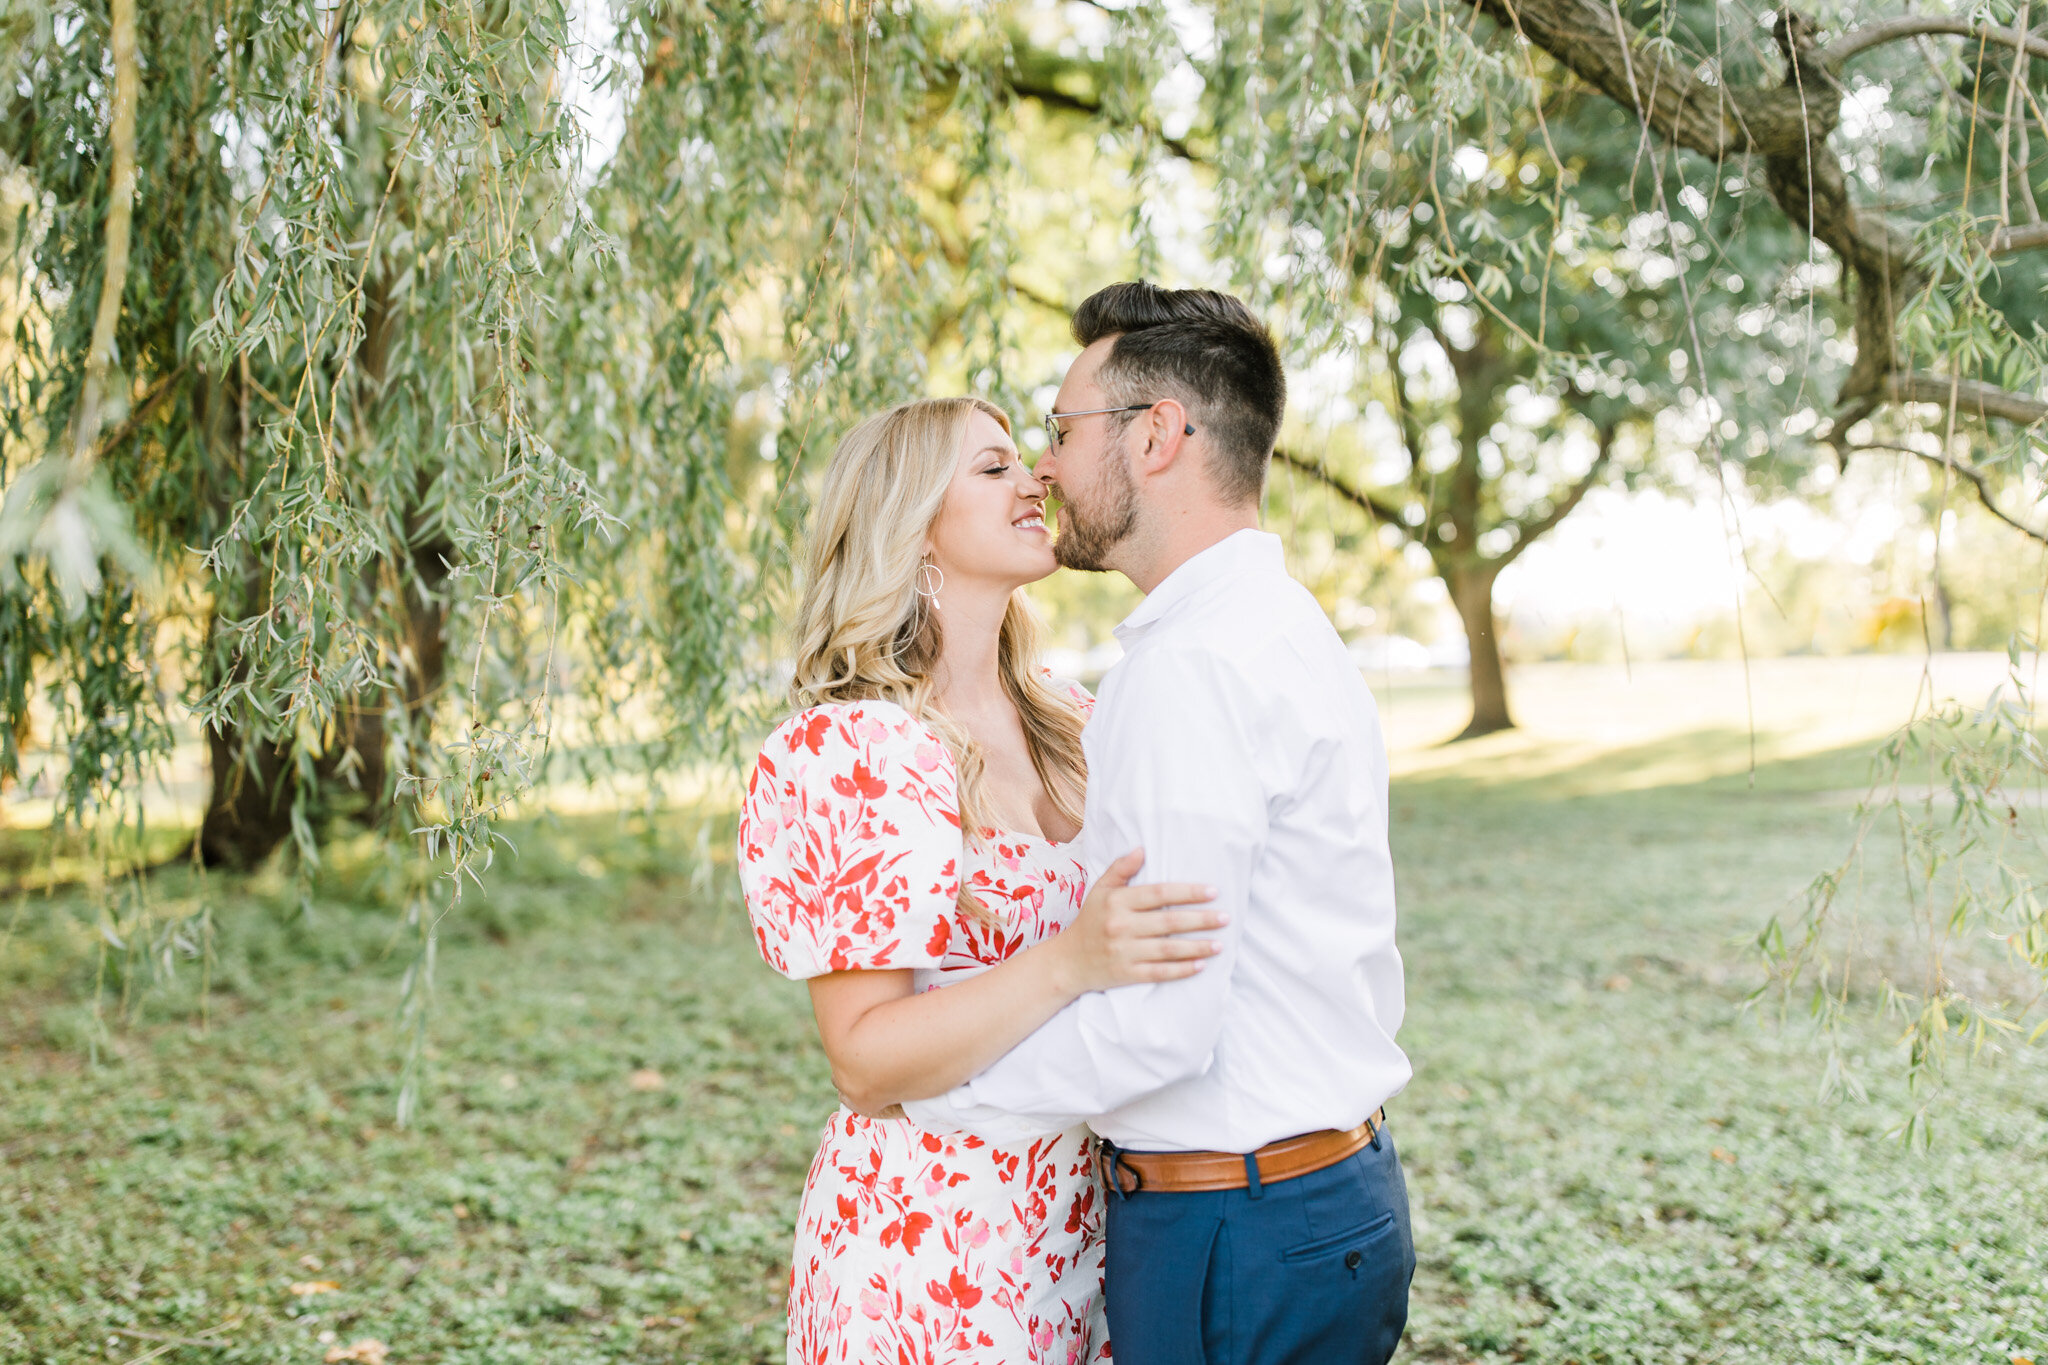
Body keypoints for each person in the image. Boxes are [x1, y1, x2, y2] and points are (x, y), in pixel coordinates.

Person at [900, 283, 1416, 1365]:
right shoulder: (1276, 624)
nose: (1043, 465)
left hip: (1232, 1226)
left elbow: (1158, 1027)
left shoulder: (1191, 669)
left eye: (1057, 430)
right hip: (1323, 1195)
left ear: (1157, 433)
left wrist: (943, 1099)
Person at [735, 395, 1227, 1363]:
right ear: (910, 521)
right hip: (934, 1246)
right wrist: (1068, 961)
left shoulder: (1077, 719)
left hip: (1091, 1222)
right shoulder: (855, 749)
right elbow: (865, 1062)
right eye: (993, 468)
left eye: (1025, 459)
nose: (1037, 478)